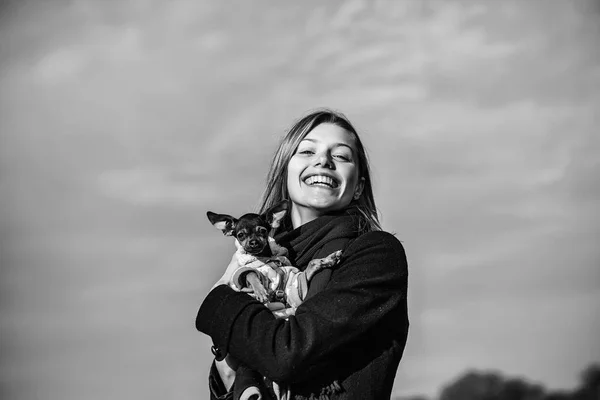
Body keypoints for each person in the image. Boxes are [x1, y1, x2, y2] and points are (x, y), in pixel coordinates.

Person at [196, 109, 409, 400]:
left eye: (342, 156)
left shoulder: (376, 255)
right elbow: (231, 376)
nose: (323, 160)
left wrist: (220, 300)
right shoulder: (268, 265)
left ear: (358, 186)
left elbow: (287, 354)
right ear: (285, 173)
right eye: (308, 151)